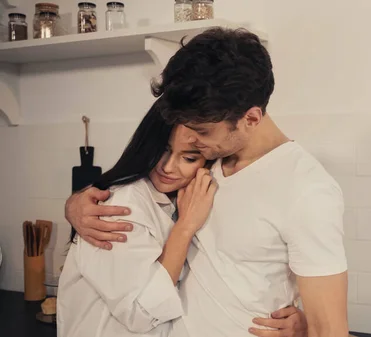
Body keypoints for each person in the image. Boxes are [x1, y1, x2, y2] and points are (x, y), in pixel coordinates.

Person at [65, 27, 348, 337]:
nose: (190, 139)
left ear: (251, 119)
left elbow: (329, 329)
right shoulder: (206, 163)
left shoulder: (306, 190)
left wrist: (305, 329)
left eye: (200, 131)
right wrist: (75, 204)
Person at [58, 100, 307, 337]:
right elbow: (141, 312)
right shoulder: (122, 206)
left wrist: (302, 322)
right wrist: (185, 226)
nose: (167, 167)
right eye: (162, 150)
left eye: (188, 158)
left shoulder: (188, 198)